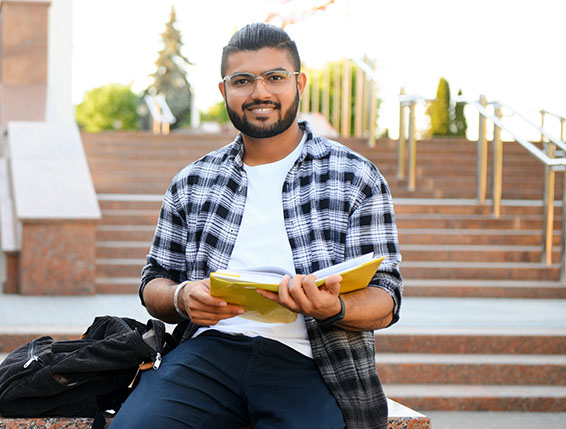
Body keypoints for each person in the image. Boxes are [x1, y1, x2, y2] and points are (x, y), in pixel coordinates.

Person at [110, 22, 402, 429]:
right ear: (224, 90)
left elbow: (385, 300)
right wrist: (182, 296)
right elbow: (153, 282)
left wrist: (332, 307)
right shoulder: (193, 181)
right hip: (208, 353)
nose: (260, 92)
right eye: (243, 80)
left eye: (275, 78)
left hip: (312, 360)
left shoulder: (355, 176)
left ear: (299, 83)